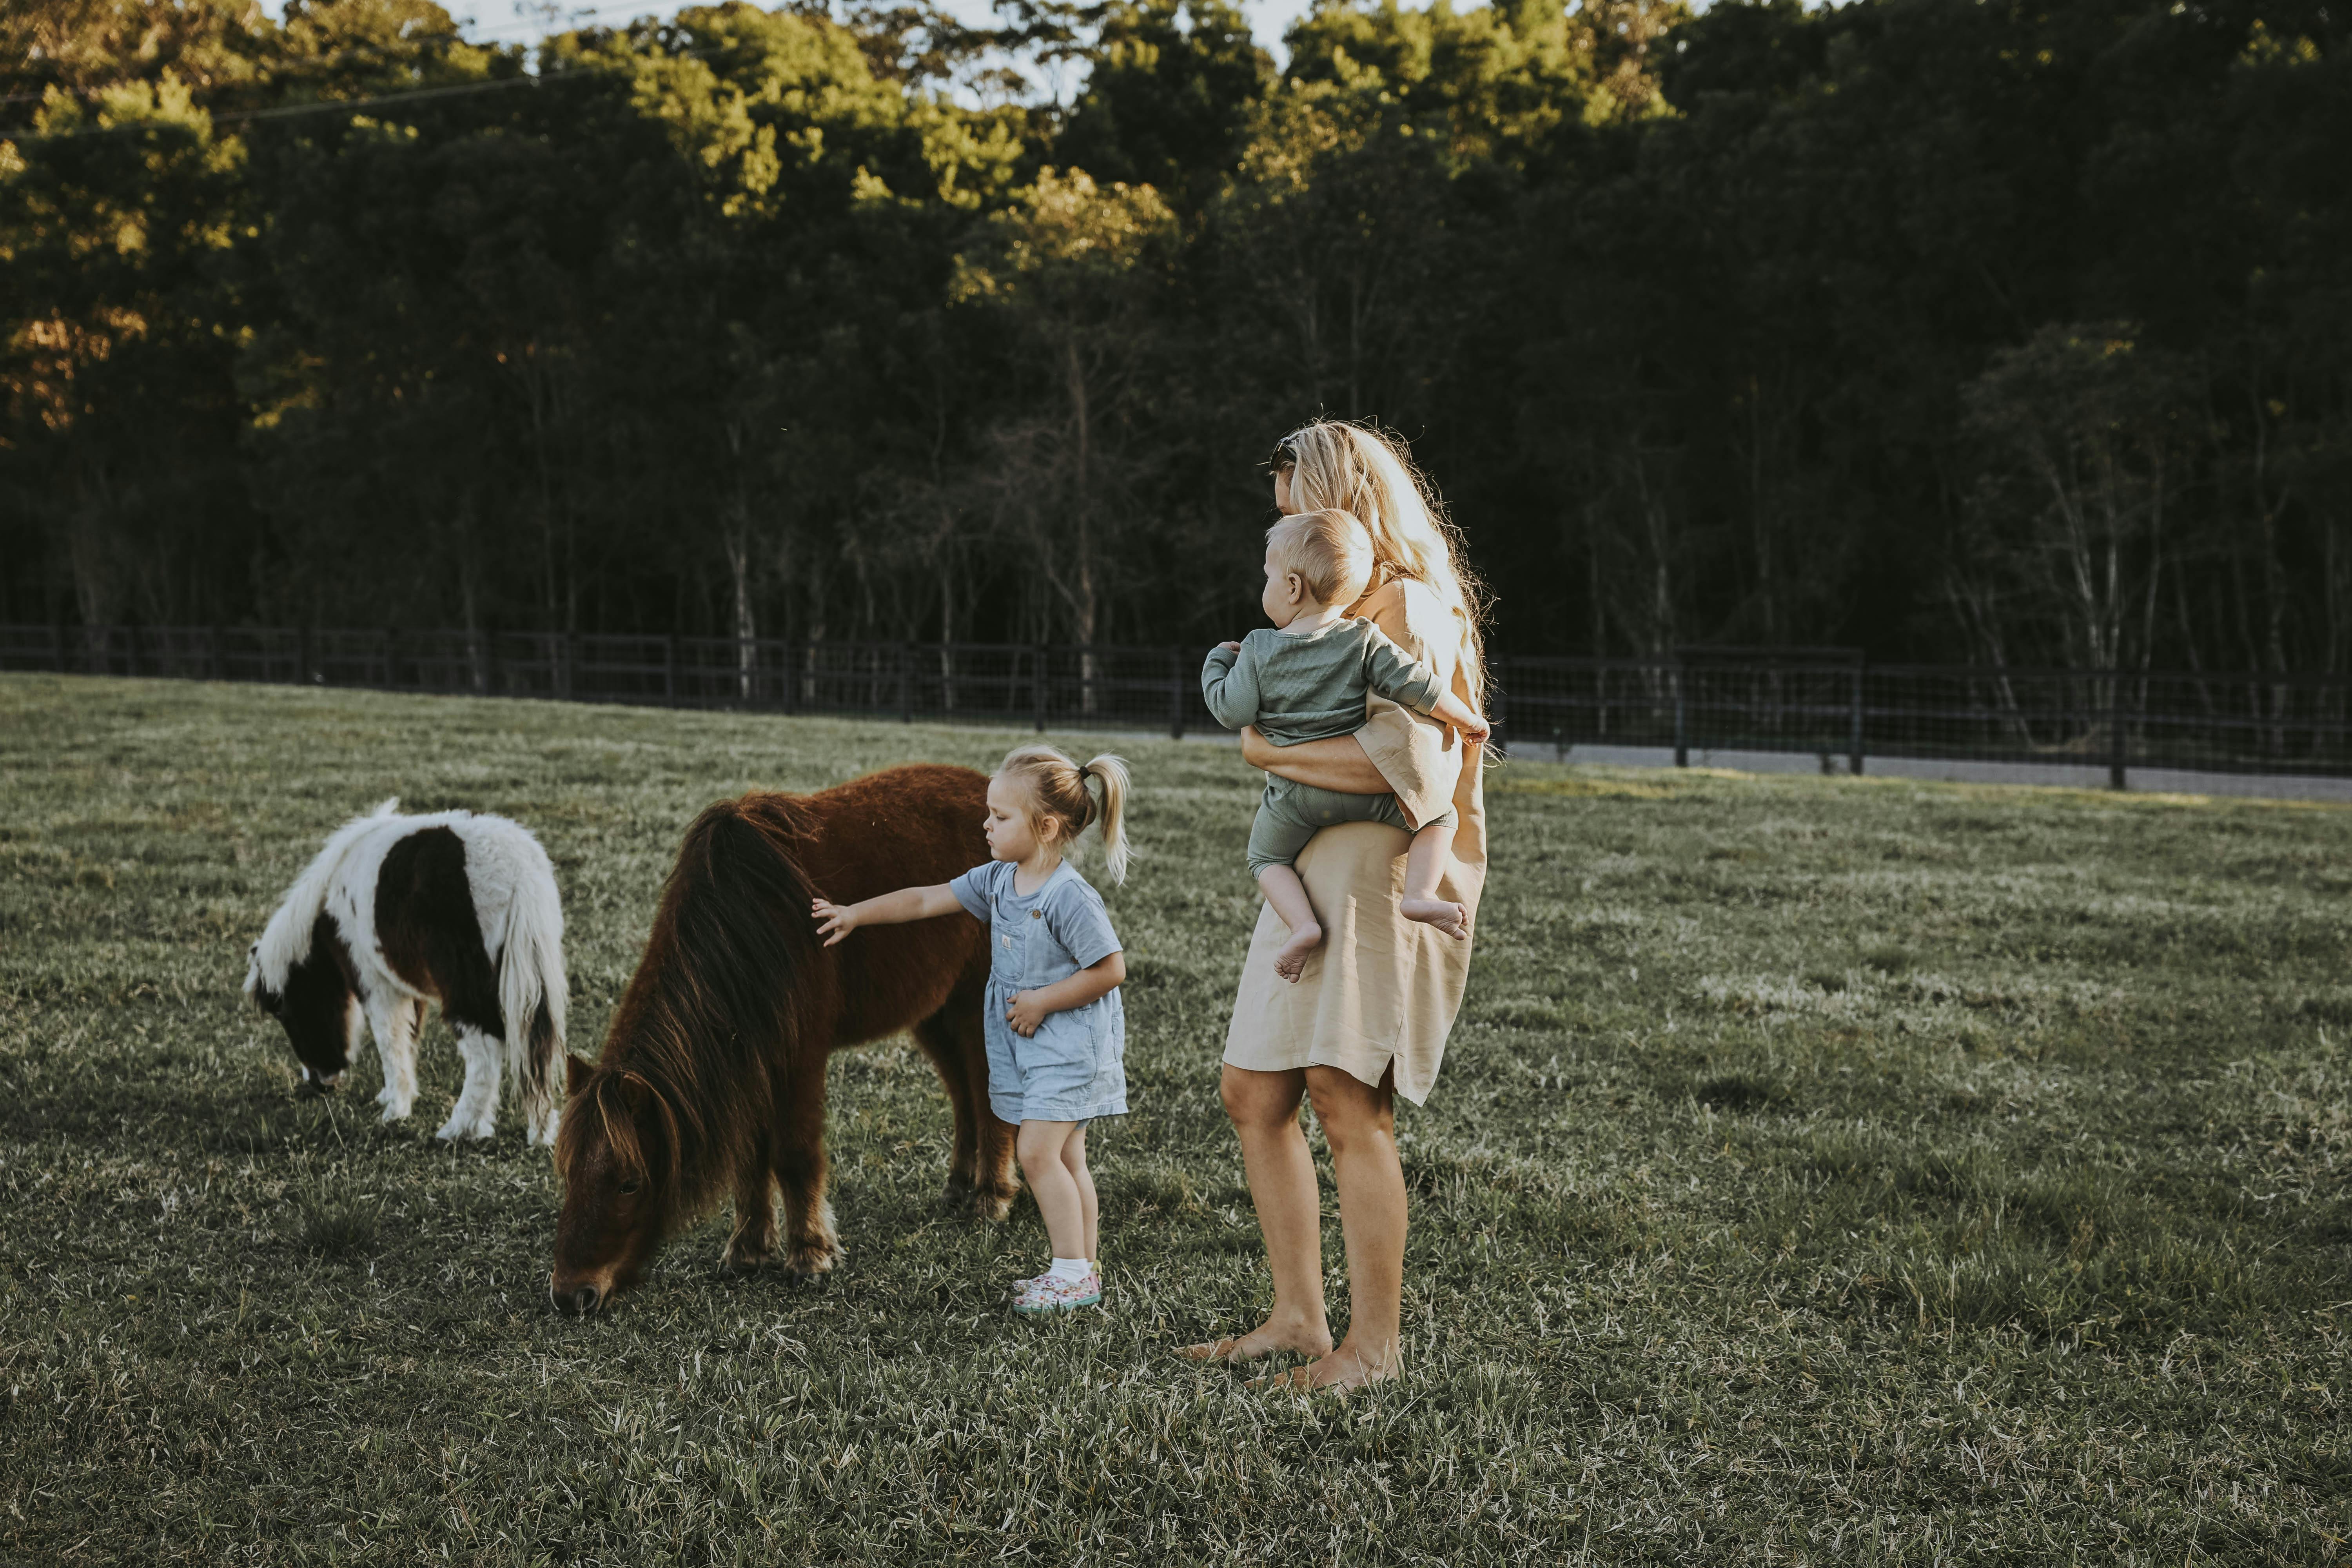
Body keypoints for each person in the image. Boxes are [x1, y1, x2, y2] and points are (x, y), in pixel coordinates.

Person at [1181, 421, 1490, 1390]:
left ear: (1344, 505)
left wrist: (1269, 750)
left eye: (1299, 511)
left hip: (1373, 859)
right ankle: (1297, 1318)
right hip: (1312, 853)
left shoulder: (1406, 606)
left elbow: (1411, 766)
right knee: (1253, 1088)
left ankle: (1373, 1349)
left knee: (1345, 1094)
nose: (1290, 537)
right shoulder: (1340, 608)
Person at [813, 745, 1132, 1315]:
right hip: (1039, 1048)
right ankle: (1084, 1270)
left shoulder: (1069, 897)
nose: (985, 824)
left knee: (1037, 1154)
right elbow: (924, 899)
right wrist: (855, 913)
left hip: (1070, 1048)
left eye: (1000, 817)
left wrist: (1042, 1001)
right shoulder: (998, 880)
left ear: (1046, 827)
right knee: (1068, 1158)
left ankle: (1068, 1273)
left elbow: (1111, 969)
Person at [1201, 506, 1490, 982]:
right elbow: (1417, 685)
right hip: (1365, 793)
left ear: (1293, 587)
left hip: (1295, 799)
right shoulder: (1363, 639)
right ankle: (1419, 895)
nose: (1264, 585)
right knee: (1440, 817)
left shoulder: (1256, 648)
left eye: (1268, 576)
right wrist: (1467, 718)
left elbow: (1231, 711)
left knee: (1265, 858)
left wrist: (1216, 663)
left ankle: (1303, 925)